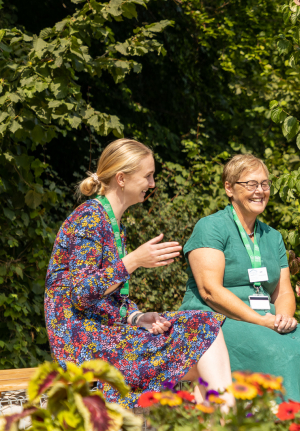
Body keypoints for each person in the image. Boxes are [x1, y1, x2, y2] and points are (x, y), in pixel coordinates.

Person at [45, 139, 234, 408]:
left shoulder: (112, 221)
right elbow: (81, 295)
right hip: (81, 344)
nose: (153, 184)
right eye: (148, 175)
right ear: (121, 178)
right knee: (202, 341)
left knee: (204, 327)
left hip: (102, 332)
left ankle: (219, 426)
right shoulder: (88, 218)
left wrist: (138, 316)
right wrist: (132, 261)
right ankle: (229, 424)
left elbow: (106, 299)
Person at [180, 154, 300, 402]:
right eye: (251, 184)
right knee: (277, 353)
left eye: (265, 184)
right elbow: (210, 291)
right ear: (229, 188)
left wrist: (283, 319)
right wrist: (262, 321)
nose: (260, 191)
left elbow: (284, 292)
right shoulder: (211, 227)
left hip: (264, 319)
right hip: (215, 320)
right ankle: (282, 429)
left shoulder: (273, 236)